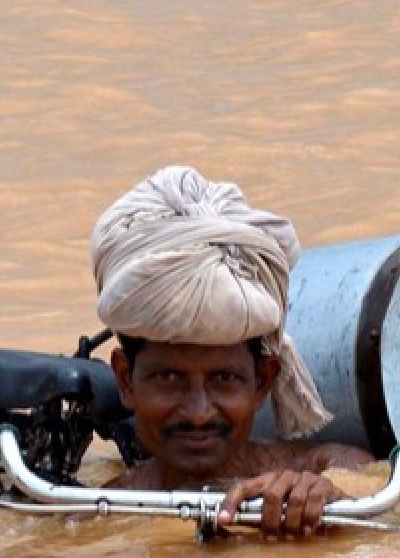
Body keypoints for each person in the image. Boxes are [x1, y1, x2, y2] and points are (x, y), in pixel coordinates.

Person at [93, 166, 373, 538]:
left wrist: (335, 509)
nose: (198, 413)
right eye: (169, 378)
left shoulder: (328, 471)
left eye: (223, 379)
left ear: (262, 382)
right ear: (126, 380)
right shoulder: (97, 514)